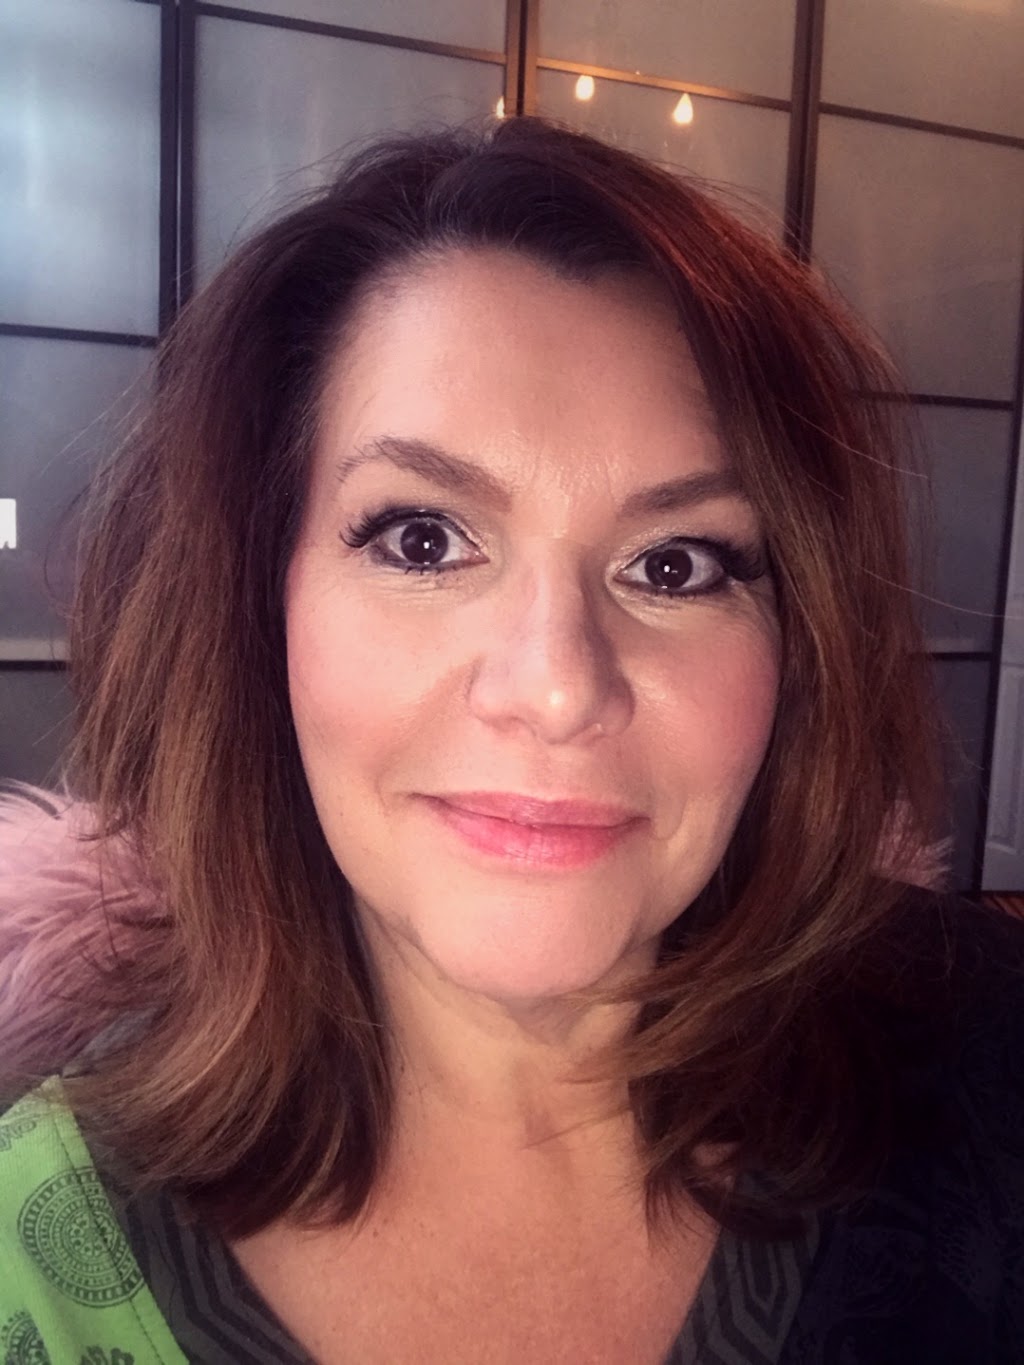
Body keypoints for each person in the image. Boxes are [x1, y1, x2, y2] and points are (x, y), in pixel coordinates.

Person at [0, 116, 1021, 1365]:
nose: (555, 688)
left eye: (675, 564)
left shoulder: (983, 1058)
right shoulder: (32, 1256)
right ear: (259, 608)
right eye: (422, 540)